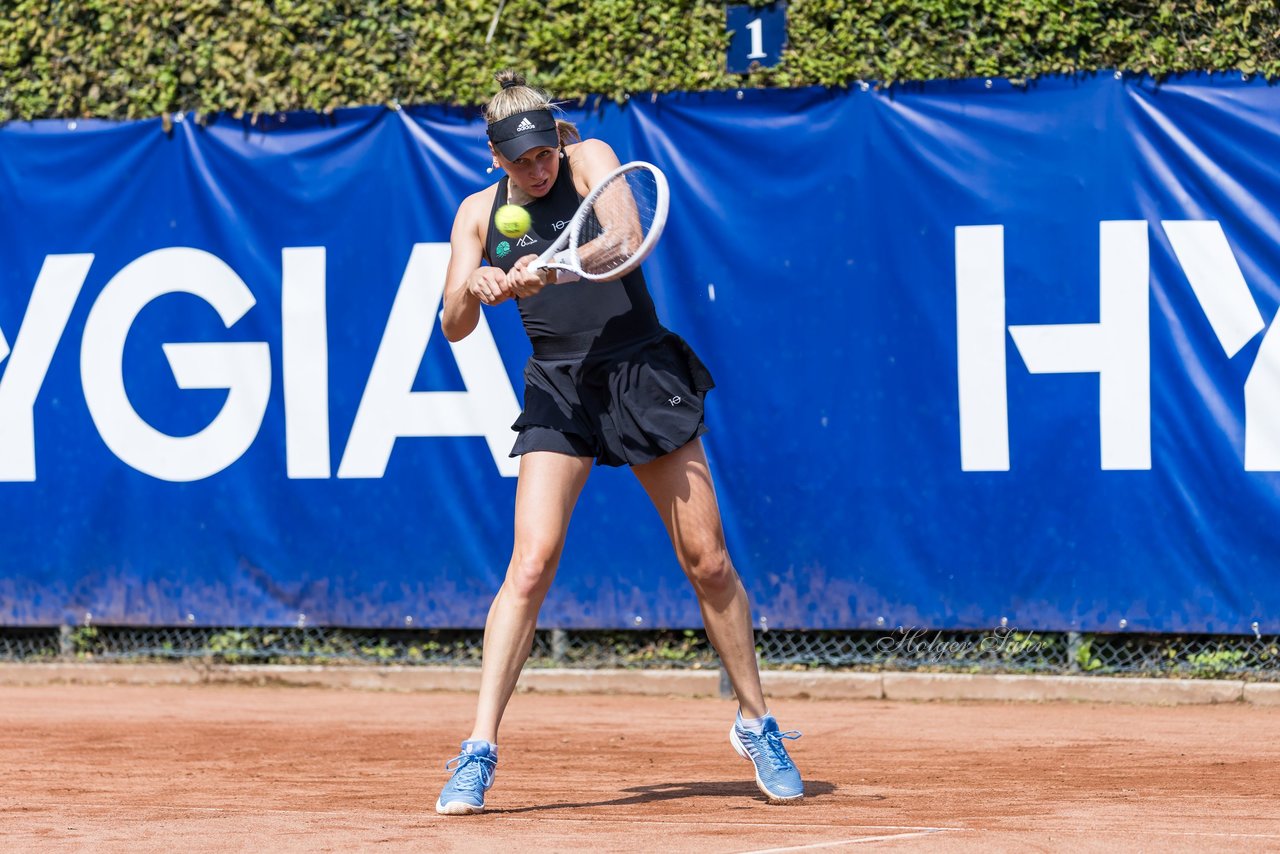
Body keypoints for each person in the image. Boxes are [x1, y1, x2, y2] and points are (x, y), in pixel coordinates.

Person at [434, 69, 804, 815]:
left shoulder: (592, 158)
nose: (538, 170)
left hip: (639, 367)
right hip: (558, 387)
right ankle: (477, 749)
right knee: (531, 564)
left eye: (544, 154)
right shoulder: (478, 211)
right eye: (521, 161)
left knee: (708, 560)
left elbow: (624, 239)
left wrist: (552, 267)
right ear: (496, 157)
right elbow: (451, 324)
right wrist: (477, 286)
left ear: (556, 139)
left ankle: (756, 722)